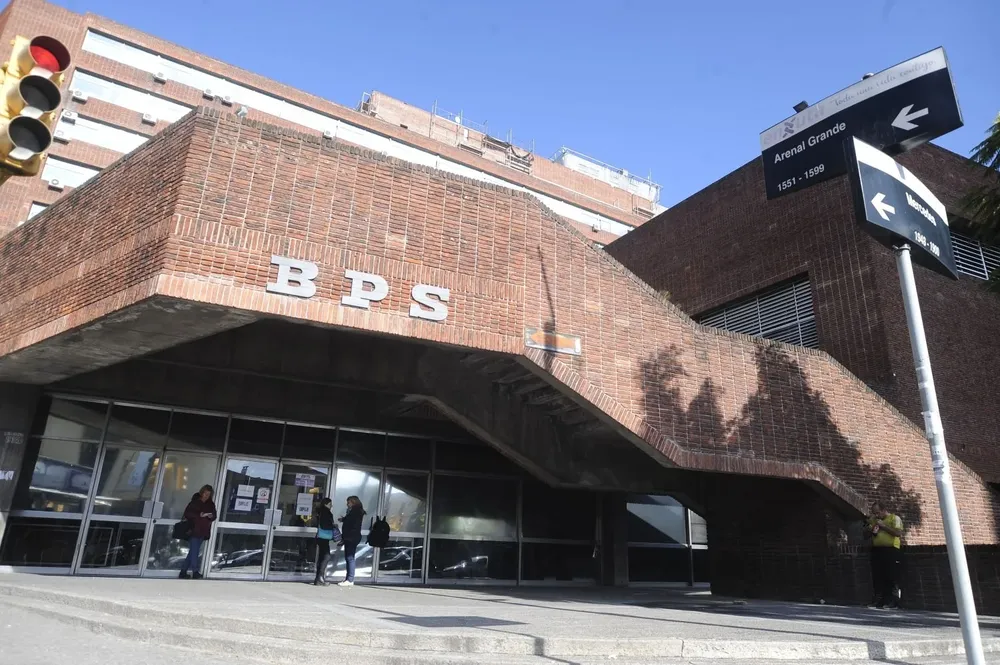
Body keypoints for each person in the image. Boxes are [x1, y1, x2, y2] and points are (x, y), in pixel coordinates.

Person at [867, 501, 904, 608]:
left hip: (891, 549)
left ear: (884, 510)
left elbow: (898, 533)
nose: (876, 515)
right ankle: (879, 601)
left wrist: (884, 526)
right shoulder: (873, 520)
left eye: (878, 513)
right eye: (874, 513)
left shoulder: (894, 518)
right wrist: (871, 529)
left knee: (891, 575)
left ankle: (893, 601)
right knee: (878, 575)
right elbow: (865, 534)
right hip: (877, 549)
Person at [180, 484, 216, 579]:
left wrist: (211, 516)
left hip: (203, 531)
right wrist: (199, 514)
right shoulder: (195, 502)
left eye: (208, 494)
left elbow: (214, 515)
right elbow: (187, 514)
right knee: (194, 552)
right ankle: (195, 571)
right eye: (205, 494)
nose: (206, 496)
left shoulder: (210, 504)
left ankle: (183, 571)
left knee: (193, 551)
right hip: (194, 530)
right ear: (202, 493)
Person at [337, 495, 365, 587]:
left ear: (353, 502)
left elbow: (351, 523)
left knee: (350, 558)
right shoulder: (356, 511)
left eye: (348, 502)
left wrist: (345, 519)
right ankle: (348, 578)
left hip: (351, 537)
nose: (347, 504)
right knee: (349, 557)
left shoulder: (355, 511)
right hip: (352, 537)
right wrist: (344, 519)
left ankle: (350, 579)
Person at [313, 497, 336, 586]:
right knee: (326, 556)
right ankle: (320, 578)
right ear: (325, 504)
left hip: (320, 537)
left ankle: (318, 578)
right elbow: (325, 525)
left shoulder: (319, 511)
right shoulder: (326, 512)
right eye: (330, 504)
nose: (331, 506)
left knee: (321, 557)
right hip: (324, 537)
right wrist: (333, 526)